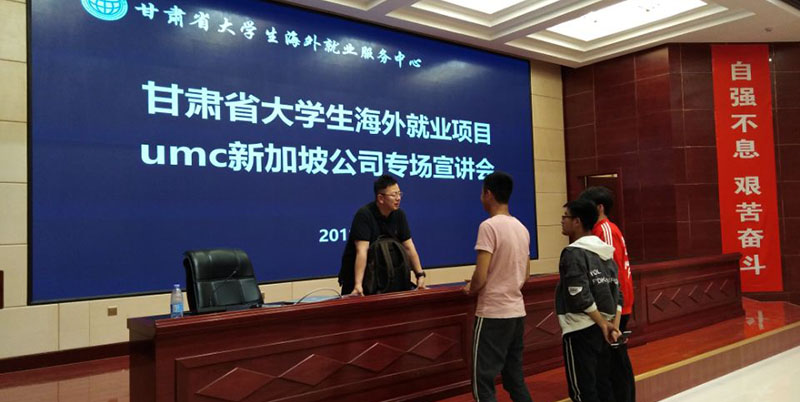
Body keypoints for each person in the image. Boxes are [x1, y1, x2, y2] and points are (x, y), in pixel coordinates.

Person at [462, 171, 533, 402]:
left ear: (488, 194)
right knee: (514, 377)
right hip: (516, 312)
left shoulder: (488, 226)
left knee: (482, 380)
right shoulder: (522, 228)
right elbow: (525, 275)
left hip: (493, 313)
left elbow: (481, 275)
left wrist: (471, 287)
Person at [556, 198, 622, 402]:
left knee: (582, 391)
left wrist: (603, 324)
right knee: (603, 386)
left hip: (580, 329)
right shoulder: (606, 252)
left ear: (577, 221)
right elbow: (617, 293)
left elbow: (578, 294)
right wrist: (613, 325)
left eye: (565, 217)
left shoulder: (573, 253)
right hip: (604, 329)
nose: (562, 221)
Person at [579, 186, 636, 402]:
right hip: (614, 306)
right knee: (612, 362)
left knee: (616, 362)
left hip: (615, 307)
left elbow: (612, 273)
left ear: (600, 208)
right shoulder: (600, 229)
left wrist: (613, 314)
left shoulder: (605, 230)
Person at [338, 174, 426, 296]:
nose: (398, 198)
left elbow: (409, 247)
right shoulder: (364, 215)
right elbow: (362, 251)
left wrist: (420, 275)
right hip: (361, 281)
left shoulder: (399, 215)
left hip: (388, 280)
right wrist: (358, 285)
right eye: (393, 195)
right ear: (380, 198)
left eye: (399, 194)